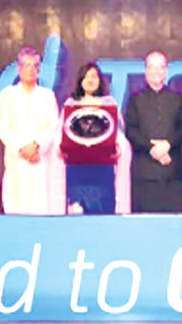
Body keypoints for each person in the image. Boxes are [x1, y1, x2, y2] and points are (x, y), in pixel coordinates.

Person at [56, 62, 132, 214]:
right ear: (80, 81)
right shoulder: (71, 105)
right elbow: (61, 132)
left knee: (103, 209)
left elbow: (119, 132)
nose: (90, 80)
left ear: (100, 81)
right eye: (86, 77)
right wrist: (61, 147)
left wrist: (117, 146)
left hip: (102, 166)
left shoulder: (109, 104)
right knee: (77, 210)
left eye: (94, 77)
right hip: (77, 167)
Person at [125, 50, 182, 213]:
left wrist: (168, 145)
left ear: (166, 71)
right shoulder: (135, 99)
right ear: (145, 71)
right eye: (152, 67)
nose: (156, 72)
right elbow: (130, 130)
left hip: (173, 172)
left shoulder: (177, 98)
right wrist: (152, 149)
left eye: (160, 67)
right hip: (144, 174)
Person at [0, 46, 60, 215]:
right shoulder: (8, 95)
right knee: (15, 206)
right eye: (27, 65)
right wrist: (21, 149)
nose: (31, 70)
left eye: (35, 66)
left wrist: (36, 146)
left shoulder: (47, 96)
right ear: (19, 69)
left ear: (39, 70)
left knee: (40, 206)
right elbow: (2, 127)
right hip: (16, 159)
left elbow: (52, 126)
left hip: (39, 160)